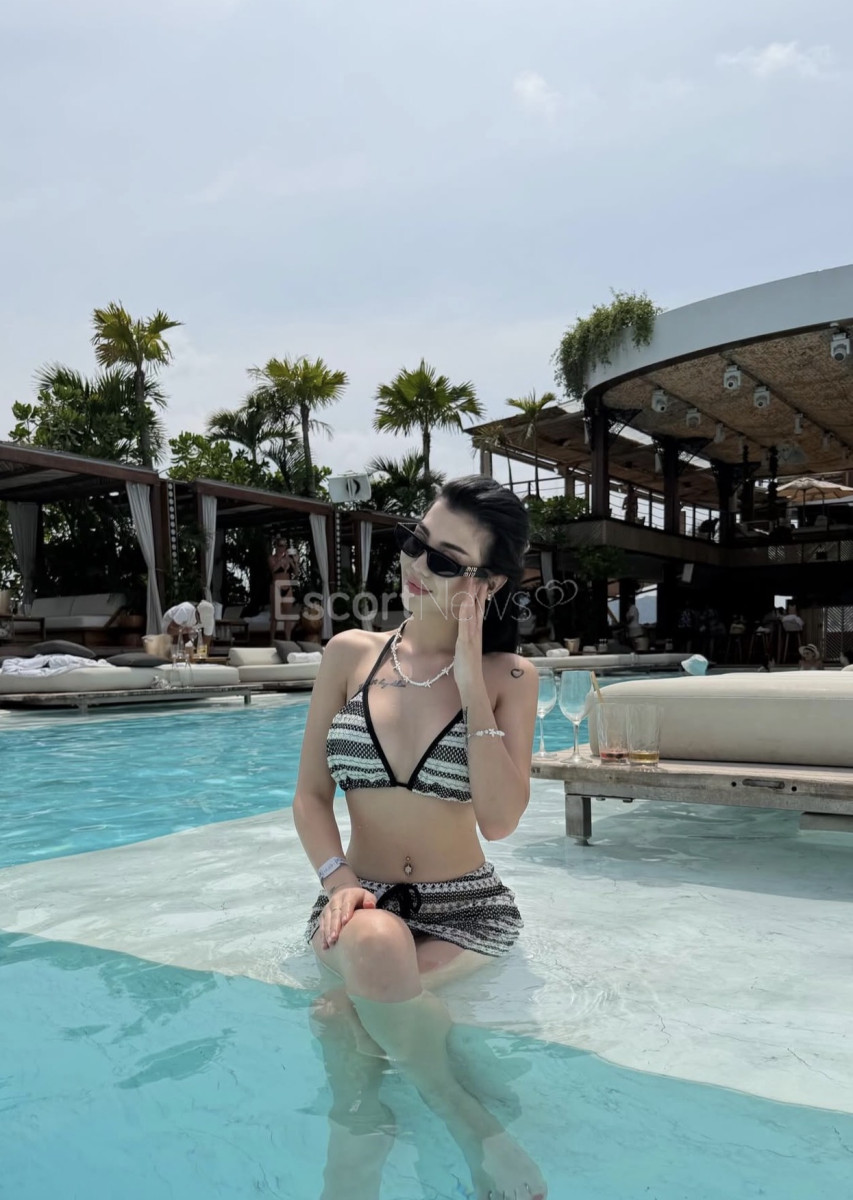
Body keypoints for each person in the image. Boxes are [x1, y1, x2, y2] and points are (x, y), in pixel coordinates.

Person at [292, 475, 546, 1200]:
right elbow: (310, 798)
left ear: (488, 584)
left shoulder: (510, 676)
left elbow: (499, 820)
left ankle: (351, 1166)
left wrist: (470, 682)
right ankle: (469, 1122)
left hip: (465, 910)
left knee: (343, 1014)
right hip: (356, 901)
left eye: (443, 559)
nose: (414, 563)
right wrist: (340, 883)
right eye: (414, 541)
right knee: (374, 942)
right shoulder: (349, 654)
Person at [268, 537, 301, 639]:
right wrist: (282, 559)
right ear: (276, 546)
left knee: (288, 616)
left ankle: (288, 640)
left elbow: (296, 573)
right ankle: (272, 640)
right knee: (275, 616)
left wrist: (295, 562)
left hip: (287, 587)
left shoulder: (289, 559)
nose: (283, 548)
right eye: (281, 546)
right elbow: (273, 569)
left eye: (285, 546)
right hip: (276, 587)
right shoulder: (272, 558)